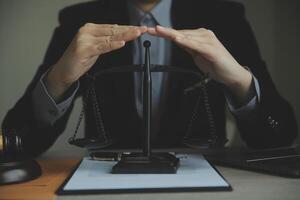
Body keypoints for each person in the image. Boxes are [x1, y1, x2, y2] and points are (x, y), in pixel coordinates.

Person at [2, 0, 298, 157]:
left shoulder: (223, 17)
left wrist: (239, 83)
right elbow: (17, 142)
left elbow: (280, 136)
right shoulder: (80, 21)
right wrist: (57, 82)